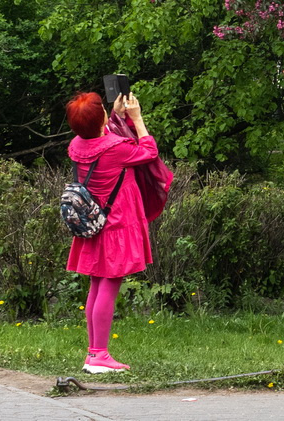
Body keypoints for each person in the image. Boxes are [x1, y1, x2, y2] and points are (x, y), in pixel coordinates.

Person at [65, 90, 161, 374]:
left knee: (97, 285)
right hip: (116, 224)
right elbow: (149, 152)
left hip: (94, 222)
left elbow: (99, 136)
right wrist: (137, 117)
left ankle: (93, 354)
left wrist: (115, 115)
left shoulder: (76, 144)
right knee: (108, 285)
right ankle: (99, 356)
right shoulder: (115, 148)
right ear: (101, 120)